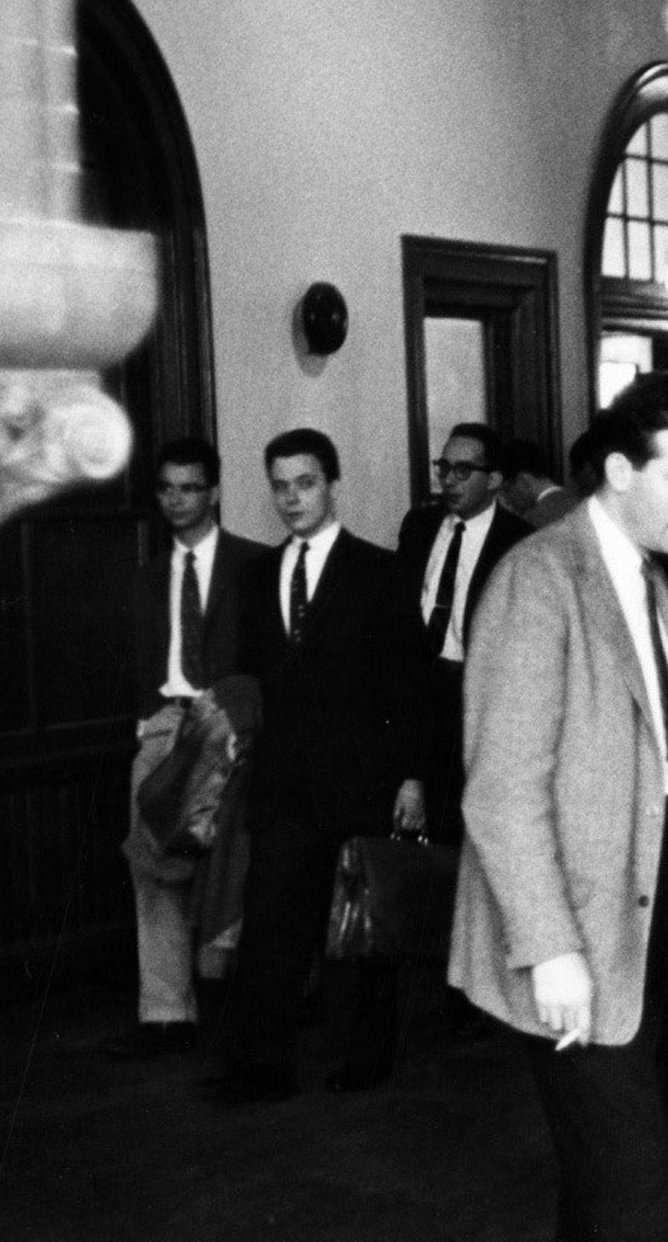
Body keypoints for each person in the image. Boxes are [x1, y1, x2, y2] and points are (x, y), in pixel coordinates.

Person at [447, 371, 668, 1242]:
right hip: (578, 933)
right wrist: (550, 947)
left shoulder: (643, 576)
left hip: (654, 917)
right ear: (618, 472)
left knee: (616, 1188)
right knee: (635, 1192)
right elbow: (502, 789)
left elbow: (665, 757)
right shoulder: (539, 578)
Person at [213, 428, 429, 1103]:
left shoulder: (381, 571)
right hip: (283, 785)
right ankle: (259, 1068)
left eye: (305, 483)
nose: (291, 498)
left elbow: (410, 684)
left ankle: (366, 1060)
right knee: (272, 927)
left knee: (363, 928)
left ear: (332, 484)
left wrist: (412, 777)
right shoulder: (257, 577)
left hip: (363, 779)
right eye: (280, 486)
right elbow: (251, 679)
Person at [108, 437, 271, 1060]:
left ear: (215, 492)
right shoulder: (146, 577)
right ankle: (166, 1014)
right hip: (164, 727)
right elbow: (135, 658)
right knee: (154, 867)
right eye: (167, 488)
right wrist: (146, 722)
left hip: (229, 728)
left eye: (190, 487)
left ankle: (238, 1005)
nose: (177, 500)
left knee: (233, 868)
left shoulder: (253, 565)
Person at [396, 423, 530, 845]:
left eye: (463, 471)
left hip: (476, 697)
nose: (449, 481)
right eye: (444, 468)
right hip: (419, 687)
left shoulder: (519, 542)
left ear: (493, 479)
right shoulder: (418, 525)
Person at [494, 434, 573, 531]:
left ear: (524, 481)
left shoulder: (532, 520)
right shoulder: (580, 502)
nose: (504, 499)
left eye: (505, 490)